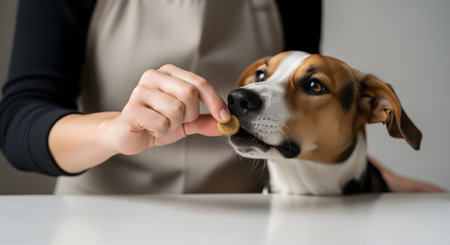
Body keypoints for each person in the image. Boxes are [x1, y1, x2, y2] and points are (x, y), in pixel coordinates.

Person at [0, 0, 442, 194]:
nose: (249, 92)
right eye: (258, 74)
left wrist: (369, 176)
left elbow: (309, 113)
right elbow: (18, 119)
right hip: (99, 218)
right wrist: (113, 130)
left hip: (248, 217)